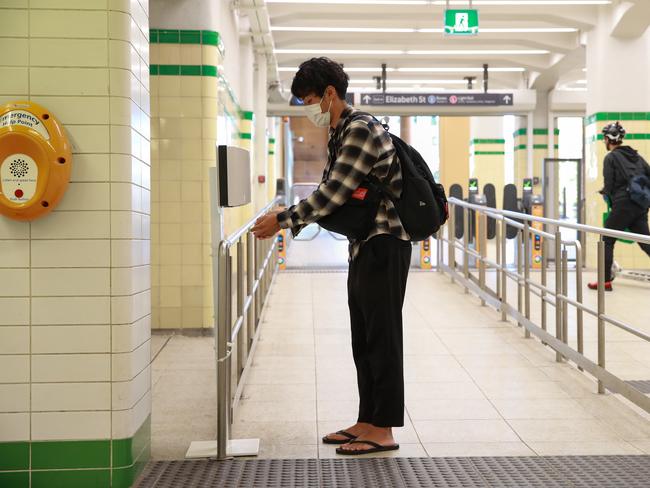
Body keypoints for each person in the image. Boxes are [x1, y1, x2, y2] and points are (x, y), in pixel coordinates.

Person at [251, 57, 411, 455]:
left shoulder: (360, 129)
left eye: (309, 99)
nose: (308, 108)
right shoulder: (341, 131)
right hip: (364, 244)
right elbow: (329, 194)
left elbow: (334, 193)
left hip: (385, 243)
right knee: (364, 336)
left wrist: (284, 220)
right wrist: (291, 220)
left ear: (329, 93)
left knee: (383, 336)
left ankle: (384, 429)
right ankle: (368, 419)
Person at [588, 122, 650, 291]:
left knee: (606, 239)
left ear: (608, 139)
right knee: (646, 241)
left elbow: (609, 186)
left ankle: (605, 281)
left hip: (623, 205)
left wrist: (606, 193)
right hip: (640, 205)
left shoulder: (611, 158)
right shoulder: (637, 157)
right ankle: (605, 279)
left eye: (604, 138)